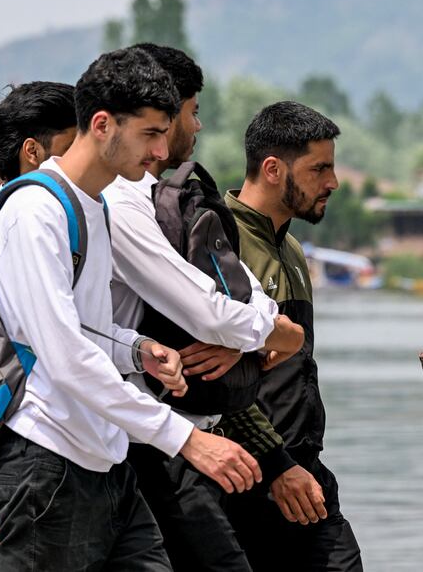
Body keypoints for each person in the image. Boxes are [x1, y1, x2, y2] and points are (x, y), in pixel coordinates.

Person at [0, 47, 261, 571]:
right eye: (150, 134)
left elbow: (85, 327)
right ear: (103, 124)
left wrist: (137, 350)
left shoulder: (95, 205)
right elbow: (64, 357)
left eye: (164, 133)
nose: (160, 152)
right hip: (46, 463)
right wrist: (186, 439)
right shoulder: (34, 212)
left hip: (106, 461)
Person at [105, 43, 304, 571]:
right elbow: (210, 312)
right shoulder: (122, 203)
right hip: (147, 436)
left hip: (179, 433)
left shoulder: (169, 200)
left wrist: (269, 331)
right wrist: (266, 332)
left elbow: (235, 299)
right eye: (190, 113)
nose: (195, 128)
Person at [224, 101, 364, 571]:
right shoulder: (220, 243)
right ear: (272, 169)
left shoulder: (295, 250)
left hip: (307, 470)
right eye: (319, 168)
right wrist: (275, 464)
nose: (333, 182)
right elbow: (220, 383)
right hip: (248, 475)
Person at [0, 80, 79, 571]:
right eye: (73, 148)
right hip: (1, 472)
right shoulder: (2, 234)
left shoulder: (19, 223)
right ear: (33, 152)